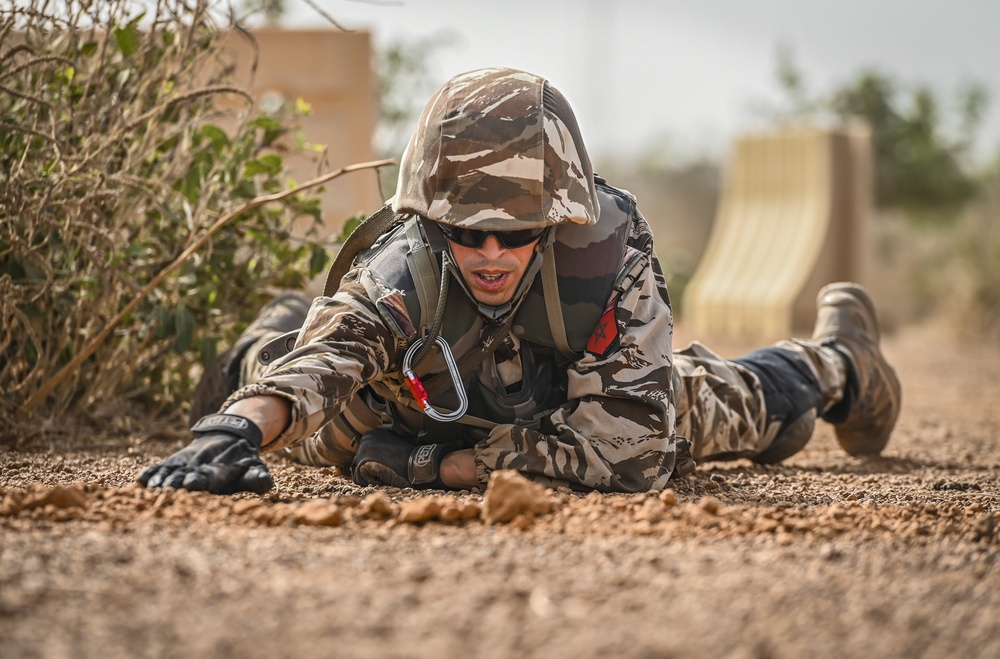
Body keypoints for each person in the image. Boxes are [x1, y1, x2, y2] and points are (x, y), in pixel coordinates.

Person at [138, 67, 901, 495]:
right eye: (470, 234)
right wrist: (237, 428)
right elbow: (325, 361)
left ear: (560, 220)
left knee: (700, 403)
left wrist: (426, 469)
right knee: (283, 375)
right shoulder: (402, 272)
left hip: (555, 396)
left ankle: (841, 362)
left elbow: (627, 452)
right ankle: (268, 330)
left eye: (519, 231)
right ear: (435, 229)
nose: (494, 252)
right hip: (398, 407)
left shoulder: (607, 256)